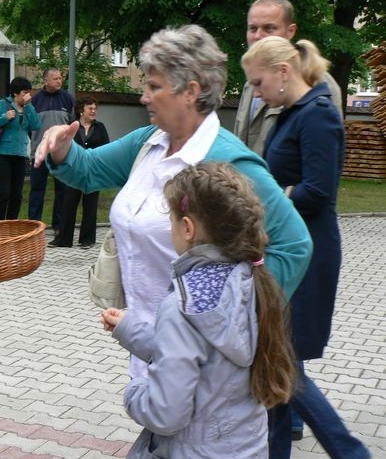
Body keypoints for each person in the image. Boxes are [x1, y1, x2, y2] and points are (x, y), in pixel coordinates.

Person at [35, 24, 313, 379]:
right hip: (148, 346)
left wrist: (238, 315)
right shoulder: (149, 143)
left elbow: (294, 246)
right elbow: (87, 170)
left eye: (154, 86)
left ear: (190, 91)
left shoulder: (229, 162)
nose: (144, 97)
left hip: (206, 361)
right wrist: (63, 148)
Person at [101, 162, 296, 458]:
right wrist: (131, 330)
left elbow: (166, 414)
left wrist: (136, 390)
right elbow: (208, 362)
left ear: (188, 228)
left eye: (171, 220)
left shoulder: (182, 305)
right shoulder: (250, 281)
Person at [242, 36, 370, 459]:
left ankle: (351, 452)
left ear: (283, 72)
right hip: (287, 249)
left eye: (258, 83)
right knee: (276, 362)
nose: (256, 93)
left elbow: (318, 190)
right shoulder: (293, 113)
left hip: (310, 253)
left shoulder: (317, 115)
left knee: (283, 363)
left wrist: (270, 195)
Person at [234, 0, 343, 155]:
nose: (258, 36)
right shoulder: (251, 85)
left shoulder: (317, 83)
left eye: (269, 28)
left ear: (290, 31)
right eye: (253, 28)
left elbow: (323, 164)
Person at [49, 97, 109, 248]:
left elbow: (106, 148)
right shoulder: (71, 127)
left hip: (93, 172)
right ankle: (63, 239)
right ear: (82, 110)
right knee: (68, 204)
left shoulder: (100, 127)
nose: (94, 111)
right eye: (90, 108)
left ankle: (87, 240)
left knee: (90, 206)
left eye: (95, 109)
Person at [0, 76, 40, 221]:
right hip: (3, 154)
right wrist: (4, 117)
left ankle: (11, 224)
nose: (27, 95)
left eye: (29, 92)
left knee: (17, 194)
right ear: (15, 93)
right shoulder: (3, 104)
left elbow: (36, 125)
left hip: (20, 155)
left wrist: (29, 106)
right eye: (24, 92)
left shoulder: (28, 107)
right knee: (4, 193)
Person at [28, 67, 75, 235]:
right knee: (36, 191)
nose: (59, 81)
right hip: (39, 154)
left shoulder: (68, 99)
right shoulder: (35, 101)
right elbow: (29, 127)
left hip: (61, 154)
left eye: (60, 78)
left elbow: (73, 125)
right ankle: (34, 227)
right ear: (45, 81)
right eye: (55, 78)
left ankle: (58, 226)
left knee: (62, 190)